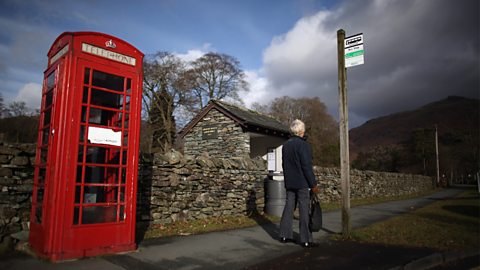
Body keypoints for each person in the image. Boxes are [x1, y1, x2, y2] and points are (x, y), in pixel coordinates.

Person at [279, 119, 320, 248]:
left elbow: (284, 164)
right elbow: (306, 166)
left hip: (290, 182)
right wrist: (313, 184)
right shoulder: (304, 145)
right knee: (304, 209)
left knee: (288, 207)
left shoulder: (286, 145)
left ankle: (284, 235)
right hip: (302, 182)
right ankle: (305, 239)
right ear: (302, 131)